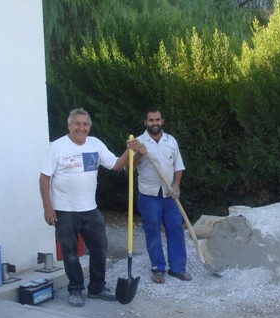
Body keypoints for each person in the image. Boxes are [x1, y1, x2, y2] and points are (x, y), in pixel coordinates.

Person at [39, 108, 132, 307]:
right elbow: (44, 178)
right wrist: (48, 208)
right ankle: (75, 290)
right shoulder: (57, 147)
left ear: (89, 127)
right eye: (77, 124)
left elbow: (116, 165)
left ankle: (97, 288)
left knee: (100, 248)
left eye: (85, 124)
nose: (81, 128)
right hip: (64, 211)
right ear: (69, 125)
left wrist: (129, 150)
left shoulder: (95, 144)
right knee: (70, 253)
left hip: (90, 209)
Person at [129, 108, 190, 283]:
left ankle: (178, 268)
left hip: (170, 195)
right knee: (153, 232)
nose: (154, 123)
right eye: (151, 120)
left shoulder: (171, 141)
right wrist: (140, 154)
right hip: (149, 196)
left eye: (157, 120)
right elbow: (129, 170)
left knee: (176, 230)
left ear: (162, 121)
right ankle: (158, 269)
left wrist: (176, 185)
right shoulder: (137, 143)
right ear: (145, 122)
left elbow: (178, 166)